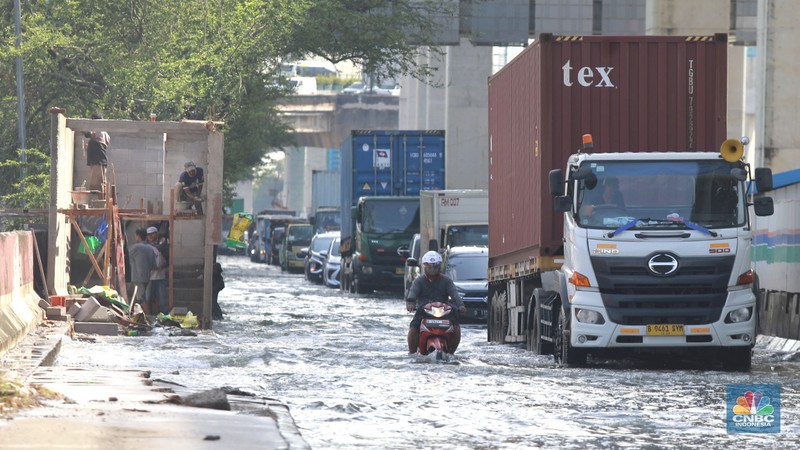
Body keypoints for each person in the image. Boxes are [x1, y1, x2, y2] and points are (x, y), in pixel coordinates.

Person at [405, 251, 467, 354]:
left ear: (439, 267)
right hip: (423, 312)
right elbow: (413, 292)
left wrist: (460, 305)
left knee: (456, 327)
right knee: (413, 328)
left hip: (444, 312)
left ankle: (451, 352)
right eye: (429, 267)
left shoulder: (446, 281)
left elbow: (454, 293)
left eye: (434, 267)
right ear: (424, 267)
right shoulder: (419, 281)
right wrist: (410, 303)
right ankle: (412, 353)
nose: (432, 270)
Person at [129, 228, 156, 314]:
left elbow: (126, 257)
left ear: (138, 236)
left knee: (140, 299)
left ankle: (148, 317)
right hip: (147, 276)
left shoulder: (135, 248)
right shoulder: (151, 249)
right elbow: (153, 265)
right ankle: (131, 313)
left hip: (137, 277)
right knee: (139, 297)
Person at [83, 112, 111, 193]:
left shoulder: (99, 132)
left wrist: (83, 131)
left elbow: (89, 134)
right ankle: (100, 201)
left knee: (96, 185)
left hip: (97, 162)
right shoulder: (105, 133)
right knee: (101, 183)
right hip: (100, 161)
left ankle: (97, 202)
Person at [146, 226, 169, 314]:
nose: (150, 236)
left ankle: (164, 317)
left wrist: (163, 265)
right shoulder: (146, 247)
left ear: (156, 234)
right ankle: (148, 316)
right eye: (148, 235)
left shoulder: (163, 245)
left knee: (162, 299)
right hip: (149, 277)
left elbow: (167, 259)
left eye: (152, 234)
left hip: (160, 276)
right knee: (147, 299)